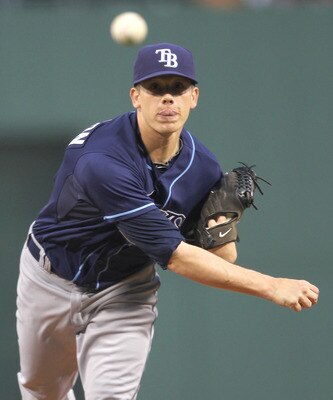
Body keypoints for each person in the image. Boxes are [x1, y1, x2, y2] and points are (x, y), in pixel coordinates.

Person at [16, 42, 319, 400]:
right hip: (50, 276)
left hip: (124, 289)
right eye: (156, 88)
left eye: (177, 88)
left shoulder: (202, 167)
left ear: (194, 97)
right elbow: (177, 257)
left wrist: (221, 225)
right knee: (42, 391)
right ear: (135, 96)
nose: (167, 99)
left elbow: (222, 259)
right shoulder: (102, 160)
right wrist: (270, 286)